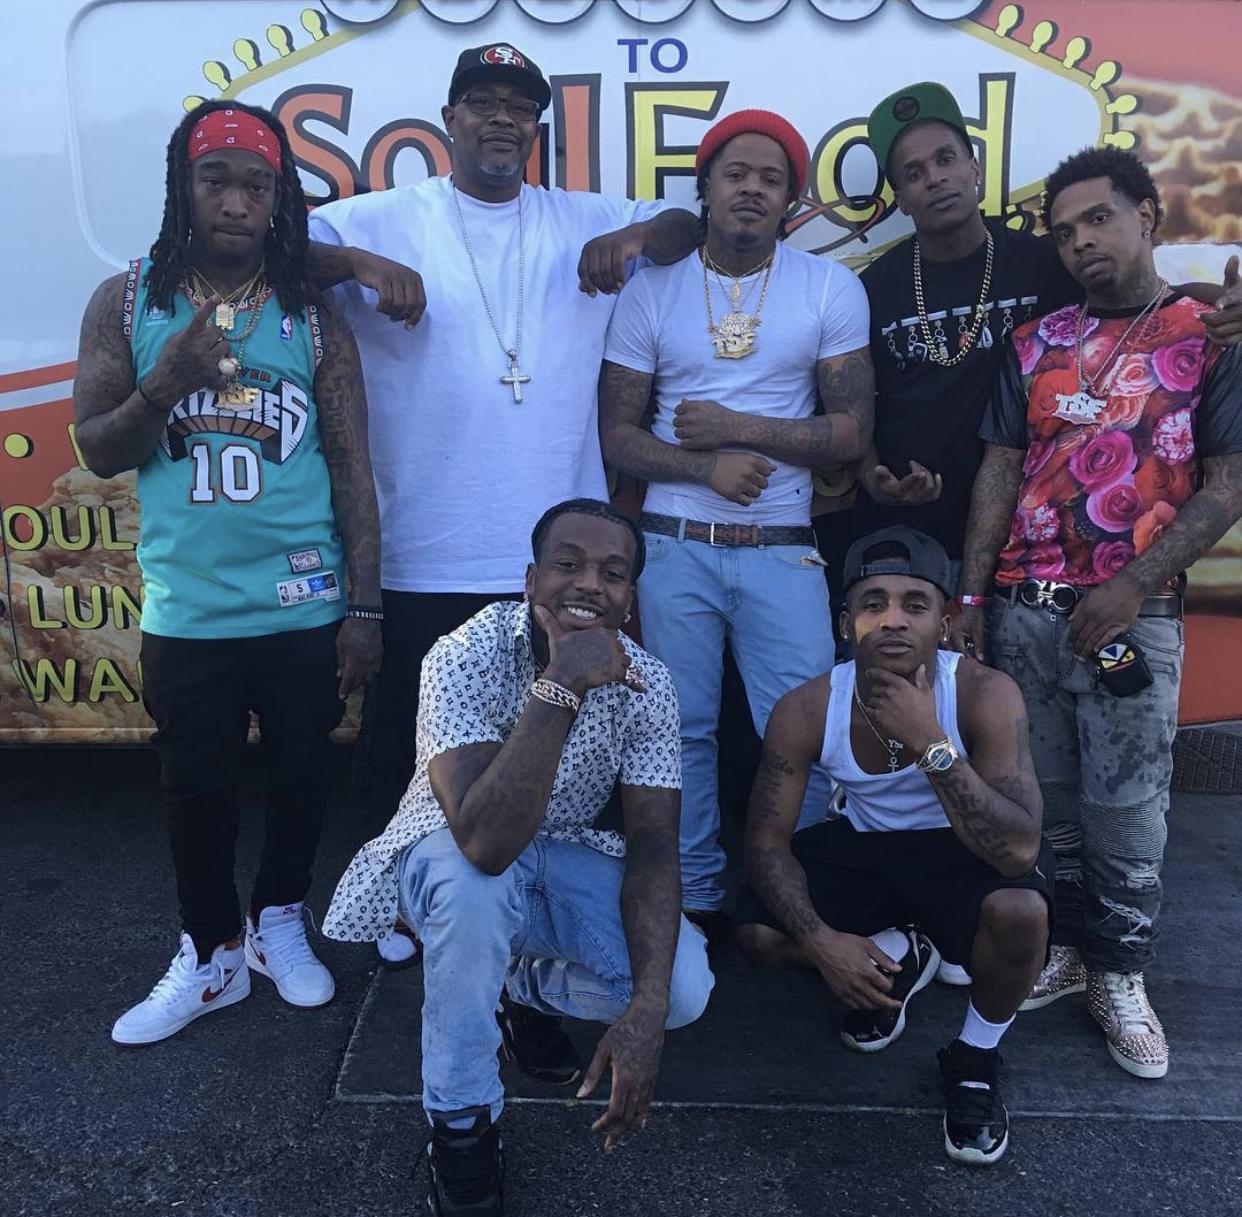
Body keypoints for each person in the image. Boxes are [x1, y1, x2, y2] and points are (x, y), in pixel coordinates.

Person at [307, 42, 702, 828]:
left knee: (564, 755)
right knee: (410, 765)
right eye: (484, 103)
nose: (502, 119)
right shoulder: (379, 217)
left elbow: (685, 226)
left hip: (557, 563)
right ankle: (404, 889)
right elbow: (282, 253)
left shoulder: (582, 217)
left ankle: (548, 888)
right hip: (425, 555)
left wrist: (632, 241)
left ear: (535, 130)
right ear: (449, 119)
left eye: (520, 108)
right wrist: (353, 262)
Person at [72, 101, 382, 1044]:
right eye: (217, 180)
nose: (238, 202)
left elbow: (351, 468)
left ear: (279, 199)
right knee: (195, 789)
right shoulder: (125, 301)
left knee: (302, 774)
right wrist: (166, 380)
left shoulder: (312, 318)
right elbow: (97, 450)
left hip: (301, 600)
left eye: (258, 185)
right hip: (191, 608)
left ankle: (278, 919)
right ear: (185, 187)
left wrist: (364, 605)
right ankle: (209, 953)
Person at [323, 498, 712, 1213]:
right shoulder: (462, 653)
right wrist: (562, 683)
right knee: (474, 889)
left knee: (682, 990)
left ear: (630, 599)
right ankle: (461, 1123)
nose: (590, 583)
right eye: (568, 564)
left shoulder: (649, 682)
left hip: (560, 851)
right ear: (531, 579)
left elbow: (655, 845)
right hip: (447, 853)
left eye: (614, 573)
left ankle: (516, 987)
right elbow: (484, 839)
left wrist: (647, 1009)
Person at [956, 147, 1242, 1080]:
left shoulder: (1210, 335)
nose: (1081, 241)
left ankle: (1121, 973)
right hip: (1023, 610)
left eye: (1099, 219)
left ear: (1147, 215)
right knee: (1049, 798)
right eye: (1065, 230)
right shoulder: (1034, 343)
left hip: (1132, 617)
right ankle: (1071, 950)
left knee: (1129, 804)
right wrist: (972, 598)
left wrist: (1131, 585)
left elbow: (1227, 484)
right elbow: (999, 472)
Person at [599, 109, 874, 926]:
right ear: (707, 186)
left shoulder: (828, 287)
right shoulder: (653, 289)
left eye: (771, 178)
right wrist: (701, 466)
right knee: (676, 730)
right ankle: (692, 900)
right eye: (737, 173)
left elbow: (851, 434)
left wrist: (734, 427)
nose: (752, 188)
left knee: (804, 728)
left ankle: (807, 898)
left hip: (782, 544)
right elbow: (617, 434)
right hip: (672, 543)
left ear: (791, 199)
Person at [736, 526, 1051, 1167]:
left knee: (1022, 912)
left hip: (961, 851)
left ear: (943, 622)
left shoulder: (985, 693)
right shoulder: (806, 708)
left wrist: (930, 741)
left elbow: (1017, 850)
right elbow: (766, 842)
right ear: (844, 623)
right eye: (872, 603)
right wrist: (821, 943)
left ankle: (974, 1058)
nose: (893, 620)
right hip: (868, 848)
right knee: (758, 936)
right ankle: (901, 951)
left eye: (915, 604)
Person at [850, 80, 1242, 582]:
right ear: (901, 198)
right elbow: (852, 404)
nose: (935, 178)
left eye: (946, 159)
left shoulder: (1045, 261)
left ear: (975, 169)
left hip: (1021, 547)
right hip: (908, 539)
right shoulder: (871, 288)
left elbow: (1135, 298)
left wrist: (1216, 300)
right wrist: (874, 477)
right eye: (914, 173)